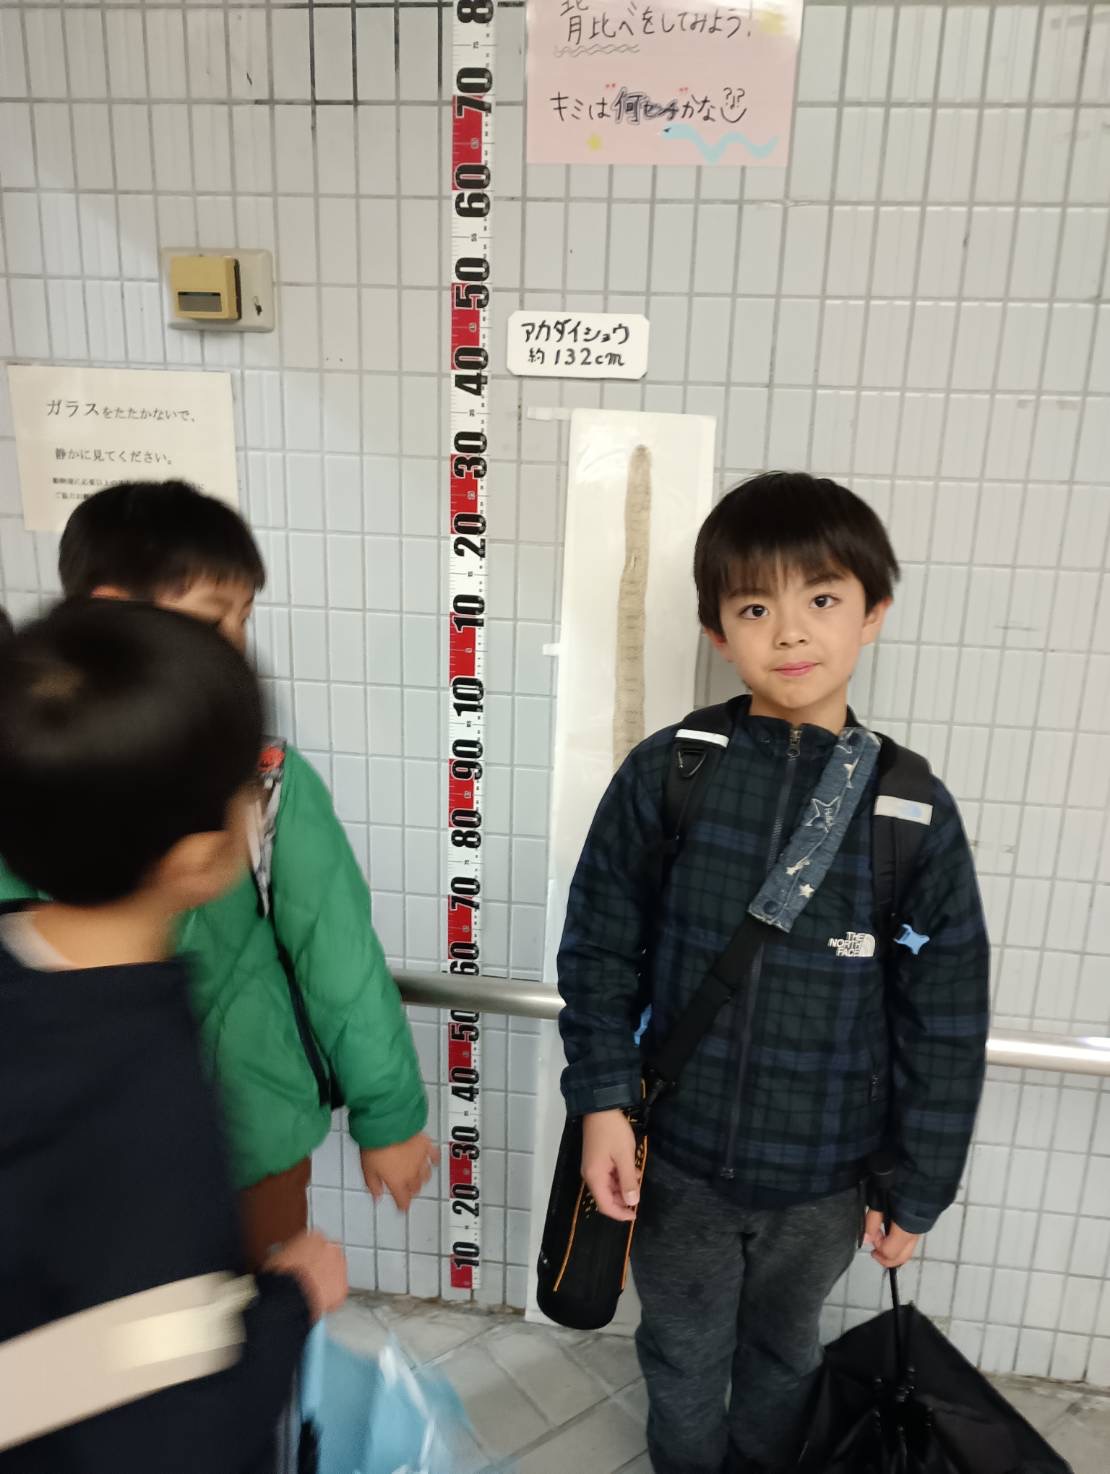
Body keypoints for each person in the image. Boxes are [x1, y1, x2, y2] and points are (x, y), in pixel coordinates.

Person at [557, 473, 990, 1474]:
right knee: (680, 1351)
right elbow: (598, 947)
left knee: (786, 1355)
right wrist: (602, 1104)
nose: (789, 631)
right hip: (678, 1161)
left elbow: (945, 1016)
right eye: (755, 608)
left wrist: (916, 1185)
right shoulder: (673, 771)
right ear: (718, 632)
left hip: (825, 1182)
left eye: (822, 598)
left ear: (873, 612)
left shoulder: (911, 810)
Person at [0, 481, 436, 1269]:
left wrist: (391, 1115)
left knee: (264, 1306)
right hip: (79, 1165)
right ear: (112, 610)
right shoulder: (31, 770)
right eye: (211, 617)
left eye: (245, 617)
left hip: (251, 1138)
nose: (235, 642)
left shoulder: (268, 777)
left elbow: (337, 953)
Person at [0, 600, 347, 1472]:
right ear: (197, 858)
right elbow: (173, 1428)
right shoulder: (140, 1093)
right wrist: (289, 1302)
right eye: (248, 784)